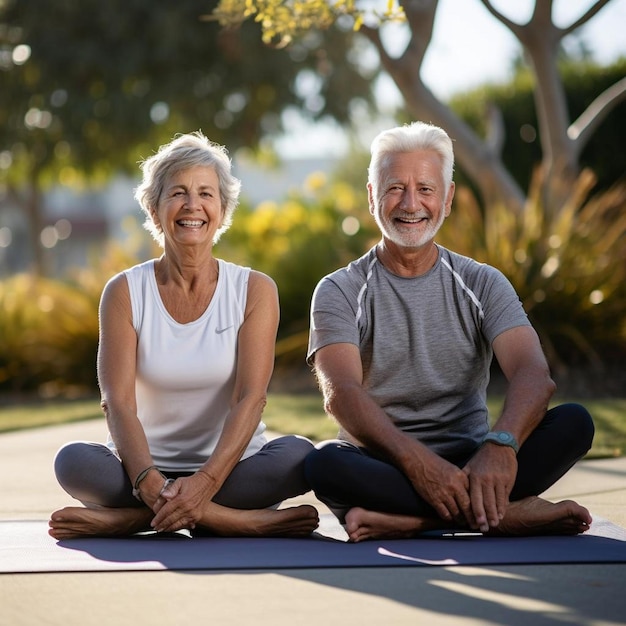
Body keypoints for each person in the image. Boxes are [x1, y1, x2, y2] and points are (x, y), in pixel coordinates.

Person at [304, 121, 594, 542]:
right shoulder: (339, 289)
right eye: (394, 188)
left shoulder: (483, 282)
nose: (410, 203)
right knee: (324, 464)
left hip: (473, 459)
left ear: (448, 197)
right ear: (372, 197)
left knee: (575, 423)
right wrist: (417, 463)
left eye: (425, 188)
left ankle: (416, 522)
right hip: (385, 463)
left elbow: (533, 373)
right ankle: (505, 516)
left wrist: (500, 446)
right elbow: (341, 395)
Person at [49, 131, 318, 540]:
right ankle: (235, 521)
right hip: (140, 472)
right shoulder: (124, 291)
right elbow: (117, 402)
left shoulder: (255, 290)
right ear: (155, 211)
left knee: (300, 456)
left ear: (223, 210)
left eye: (206, 194)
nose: (192, 205)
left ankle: (130, 521)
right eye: (177, 193)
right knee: (73, 462)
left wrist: (206, 482)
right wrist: (151, 482)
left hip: (230, 470)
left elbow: (251, 398)